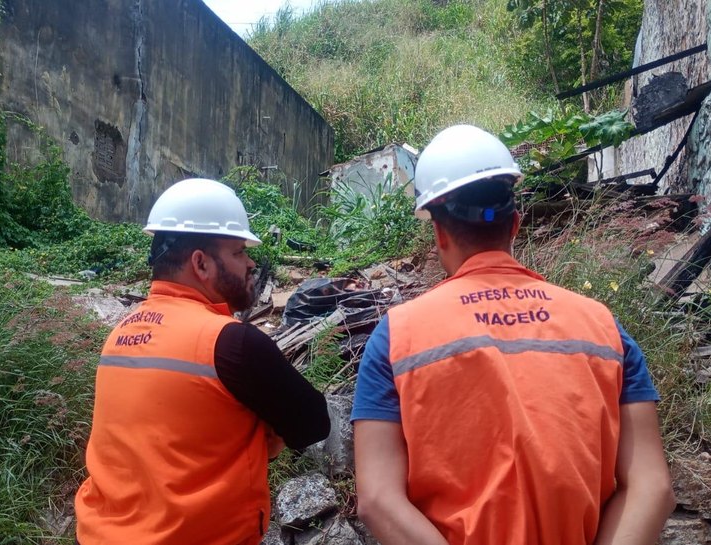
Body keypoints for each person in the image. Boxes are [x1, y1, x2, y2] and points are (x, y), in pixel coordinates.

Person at [351, 125, 675, 545]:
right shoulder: (602, 326)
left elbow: (378, 499)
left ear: (439, 233)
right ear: (515, 224)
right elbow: (651, 487)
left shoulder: (397, 336)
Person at [75, 178, 330, 545]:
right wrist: (265, 433)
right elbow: (314, 424)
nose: (250, 263)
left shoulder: (120, 334)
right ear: (201, 263)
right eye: (239, 252)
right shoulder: (231, 343)